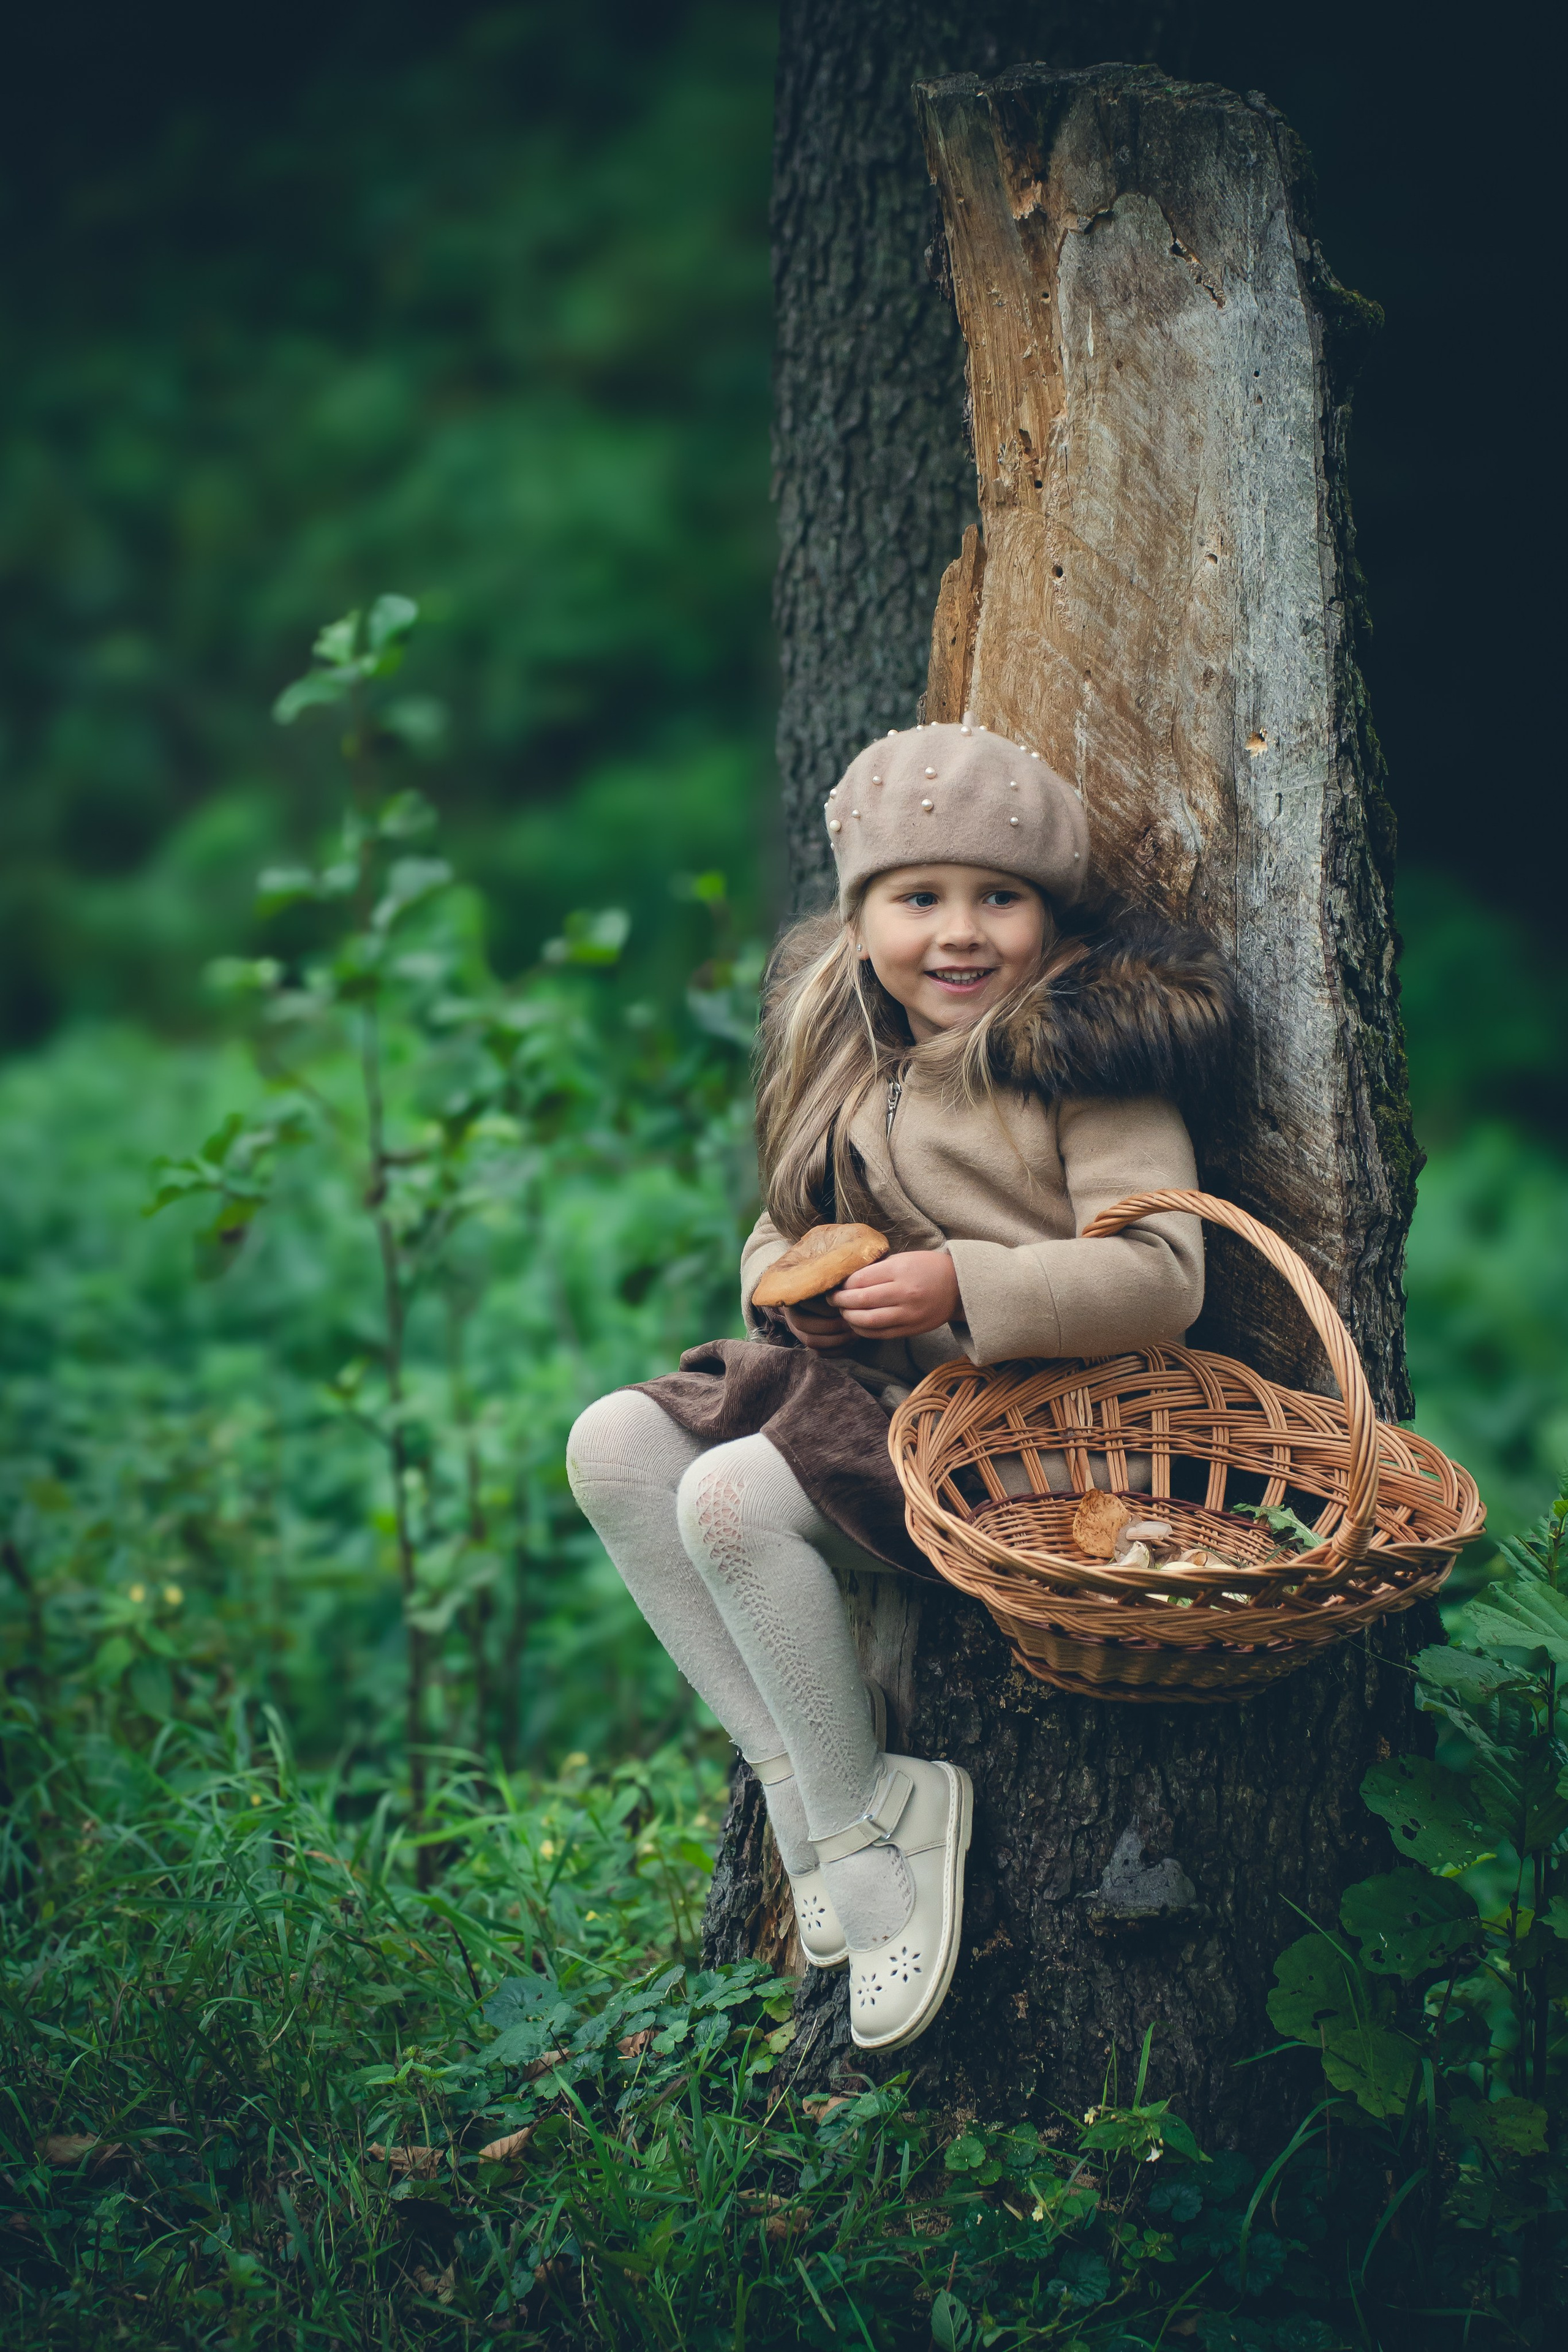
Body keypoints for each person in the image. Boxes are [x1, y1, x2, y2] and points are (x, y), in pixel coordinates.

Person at [567, 720, 1233, 2052]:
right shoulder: (845, 1050)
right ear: (860, 917)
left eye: (1000, 898)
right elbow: (780, 1221)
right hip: (875, 1402)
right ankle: (814, 1793)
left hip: (1044, 1436)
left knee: (734, 1503)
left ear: (1048, 918)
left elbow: (1167, 1274)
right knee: (612, 1447)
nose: (959, 933)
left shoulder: (1086, 1059)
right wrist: (784, 1279)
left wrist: (961, 1287)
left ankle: (877, 1816)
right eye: (916, 898)